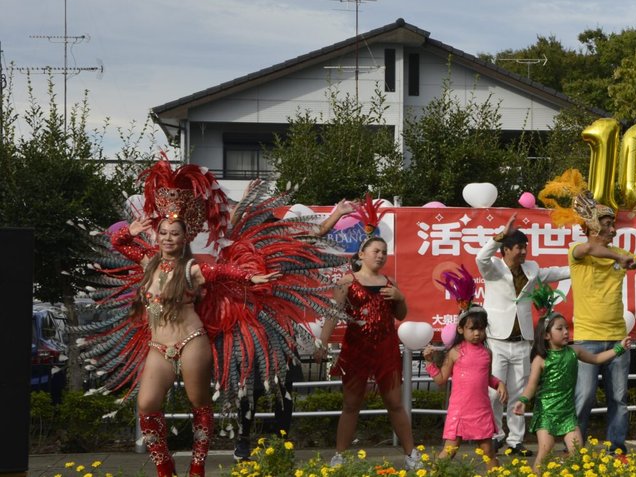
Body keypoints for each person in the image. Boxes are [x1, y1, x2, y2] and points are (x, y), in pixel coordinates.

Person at [78, 163, 342, 477]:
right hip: (158, 346)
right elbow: (119, 243)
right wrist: (130, 231)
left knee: (199, 401)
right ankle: (165, 468)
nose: (167, 238)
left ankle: (197, 466)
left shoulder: (192, 269)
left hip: (191, 341)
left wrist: (251, 278)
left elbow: (224, 272)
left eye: (174, 234)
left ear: (184, 236)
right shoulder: (147, 261)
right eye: (162, 233)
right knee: (147, 404)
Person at [539, 169, 636, 453]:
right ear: (593, 227)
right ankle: (575, 448)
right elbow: (591, 251)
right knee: (583, 397)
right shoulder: (578, 251)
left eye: (613, 224)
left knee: (619, 398)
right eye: (608, 224)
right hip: (585, 337)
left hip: (618, 336)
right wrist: (618, 256)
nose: (613, 229)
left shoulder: (620, 254)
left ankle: (617, 448)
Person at [233, 197, 356, 461]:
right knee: (249, 390)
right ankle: (242, 441)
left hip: (282, 329)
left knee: (283, 389)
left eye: (274, 231)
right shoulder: (240, 256)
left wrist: (339, 212)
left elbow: (316, 234)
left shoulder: (286, 254)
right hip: (251, 329)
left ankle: (281, 442)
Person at [316, 236, 422, 468]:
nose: (380, 255)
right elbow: (334, 314)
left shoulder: (390, 283)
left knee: (395, 402)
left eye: (384, 251)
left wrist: (400, 298)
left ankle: (410, 454)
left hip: (386, 348)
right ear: (361, 254)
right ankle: (340, 455)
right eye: (376, 250)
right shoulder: (347, 281)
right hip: (357, 348)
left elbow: (401, 315)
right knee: (351, 403)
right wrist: (323, 342)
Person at [477, 215, 571, 456]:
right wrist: (500, 234)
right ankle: (496, 435)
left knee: (520, 391)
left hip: (522, 340)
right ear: (505, 249)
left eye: (525, 247)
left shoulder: (531, 268)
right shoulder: (493, 267)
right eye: (518, 247)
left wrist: (580, 268)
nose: (523, 252)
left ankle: (516, 440)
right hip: (497, 337)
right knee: (494, 392)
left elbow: (554, 273)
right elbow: (481, 257)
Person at [512, 312, 630, 473]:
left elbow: (597, 359)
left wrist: (619, 348)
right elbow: (532, 385)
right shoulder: (541, 359)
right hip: (547, 412)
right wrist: (523, 400)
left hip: (568, 413)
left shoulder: (575, 351)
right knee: (545, 450)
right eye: (560, 329)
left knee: (577, 451)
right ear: (546, 335)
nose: (566, 332)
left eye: (567, 328)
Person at [424, 310, 507, 468]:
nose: (477, 333)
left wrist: (499, 383)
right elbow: (441, 379)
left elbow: (487, 377)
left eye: (481, 329)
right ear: (461, 329)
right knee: (450, 450)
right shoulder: (455, 352)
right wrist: (429, 363)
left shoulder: (487, 353)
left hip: (481, 410)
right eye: (472, 329)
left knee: (488, 451)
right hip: (460, 411)